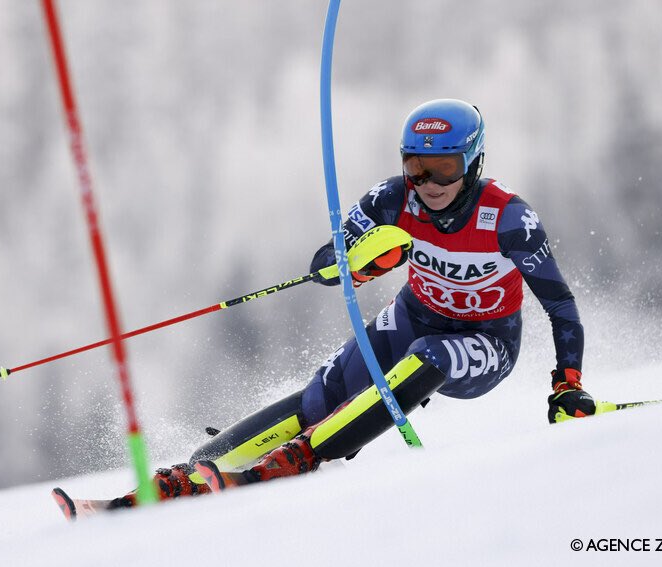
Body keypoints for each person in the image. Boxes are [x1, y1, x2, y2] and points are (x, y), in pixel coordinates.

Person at [88, 99, 596, 510]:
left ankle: (302, 458)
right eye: (416, 167)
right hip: (414, 314)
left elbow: (560, 305)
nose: (429, 185)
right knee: (323, 396)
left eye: (445, 168)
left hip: (485, 341)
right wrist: (357, 265)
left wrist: (566, 385)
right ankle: (205, 465)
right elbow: (324, 262)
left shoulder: (509, 219)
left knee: (432, 356)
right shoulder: (391, 199)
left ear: (473, 162)